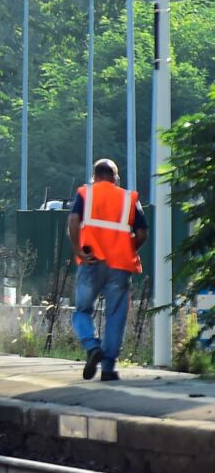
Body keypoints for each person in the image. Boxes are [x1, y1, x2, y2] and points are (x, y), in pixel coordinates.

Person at [68, 159, 149, 382]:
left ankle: (92, 346)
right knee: (115, 316)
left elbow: (74, 220)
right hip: (121, 266)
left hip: (91, 261)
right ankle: (108, 369)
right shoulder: (129, 198)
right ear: (115, 177)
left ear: (94, 176)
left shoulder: (86, 193)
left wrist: (78, 250)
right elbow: (142, 233)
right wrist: (126, 249)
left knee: (82, 310)